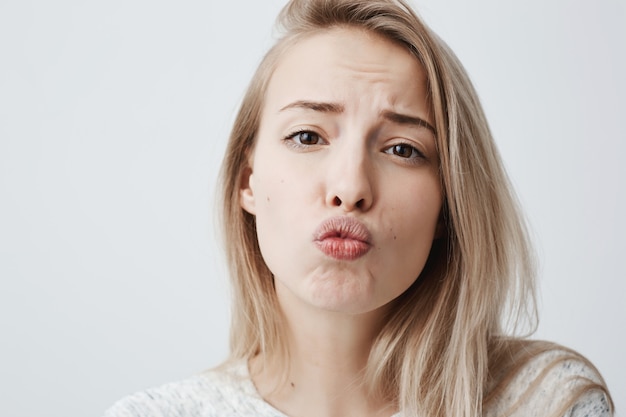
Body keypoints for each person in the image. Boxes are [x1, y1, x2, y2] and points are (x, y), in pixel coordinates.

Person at [105, 0, 614, 416]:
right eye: (307, 136)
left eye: (402, 149)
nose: (350, 188)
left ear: (449, 205)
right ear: (247, 181)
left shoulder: (547, 402)